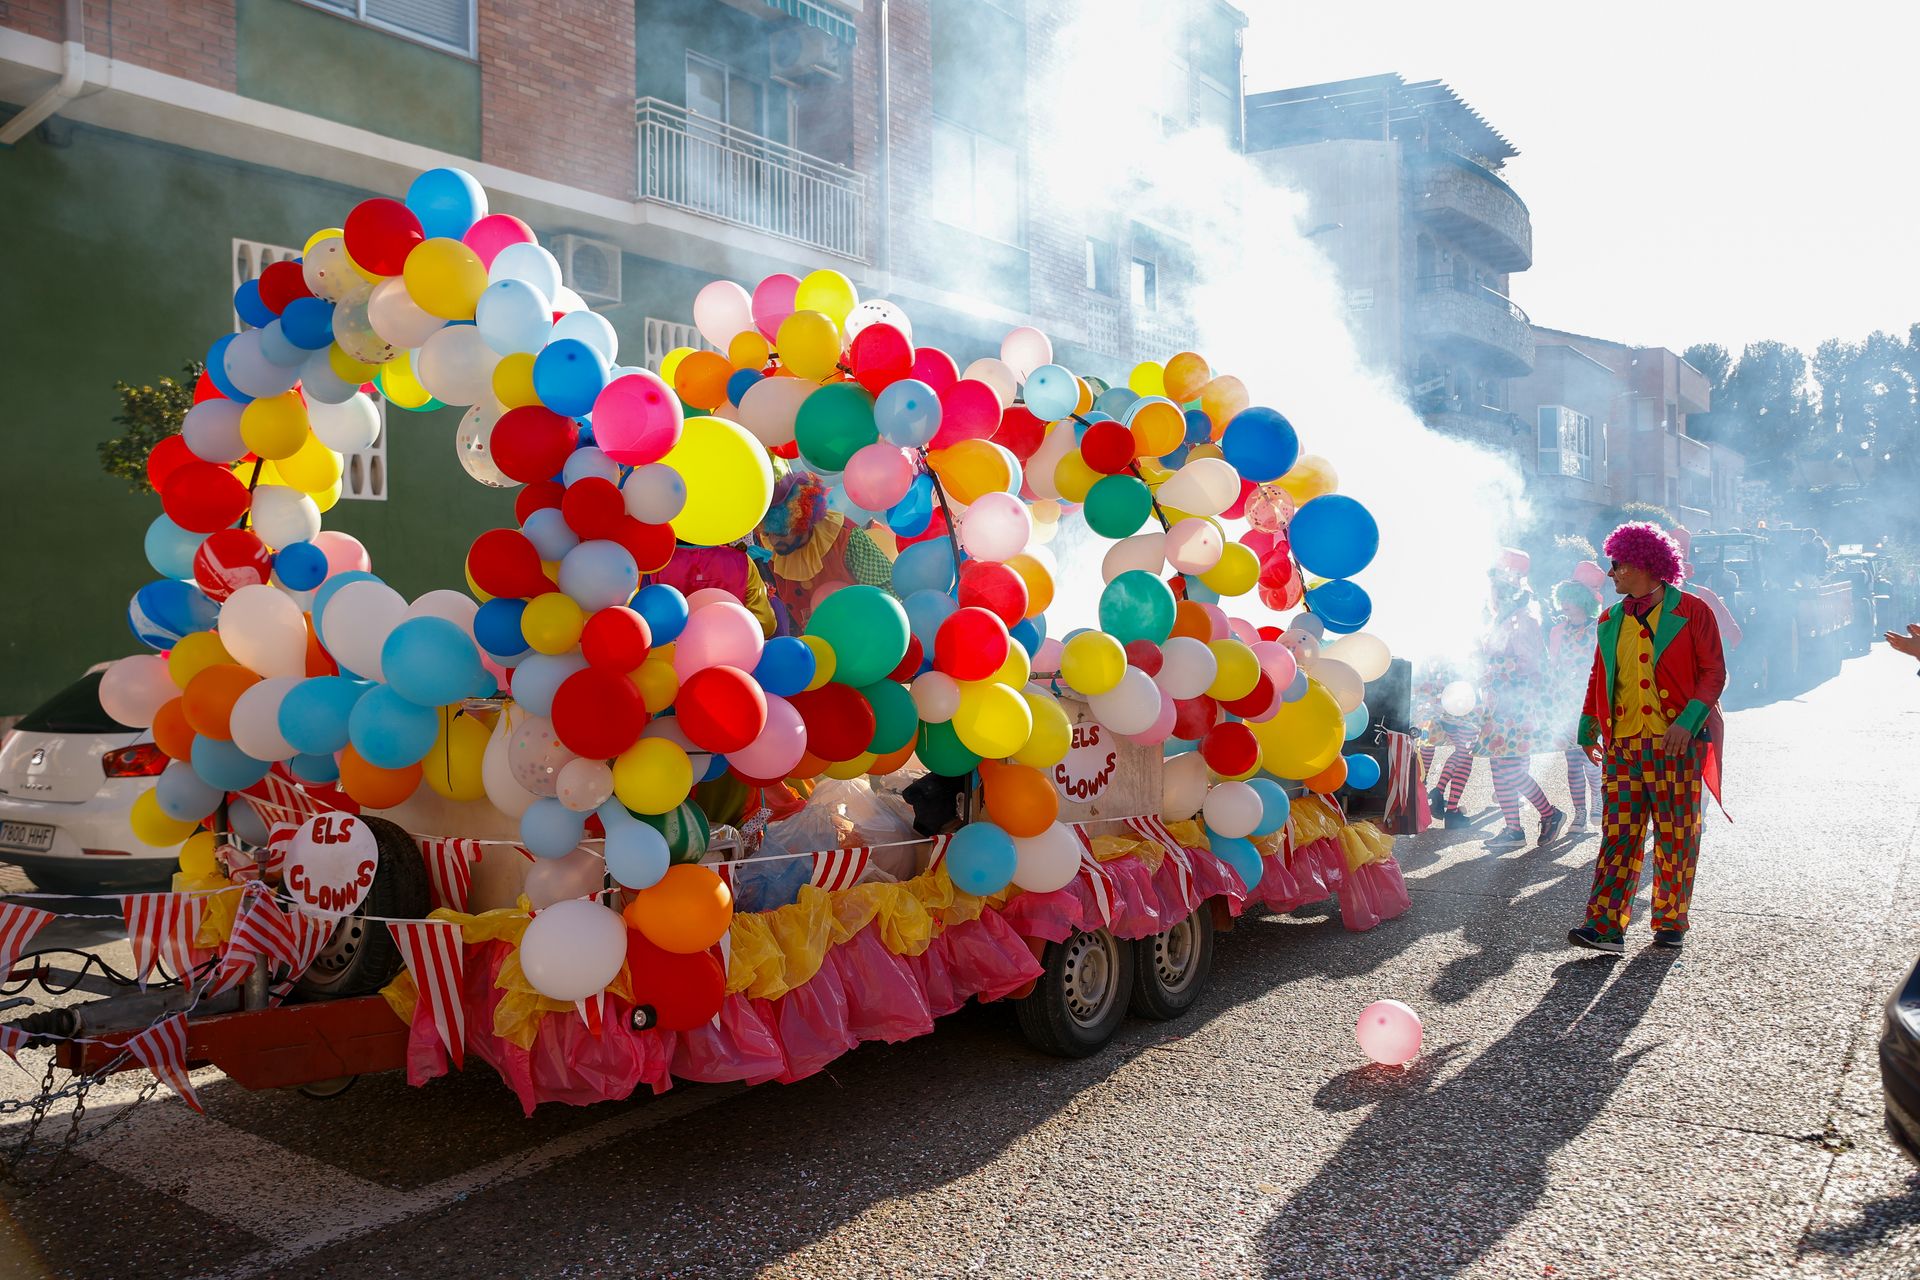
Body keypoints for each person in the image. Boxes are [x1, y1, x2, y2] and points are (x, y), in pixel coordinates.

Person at [1568, 522, 1727, 954]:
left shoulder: (1692, 611)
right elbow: (1600, 674)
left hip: (1675, 744)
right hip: (1623, 745)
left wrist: (1687, 722)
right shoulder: (1610, 618)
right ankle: (1604, 927)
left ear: (1644, 564)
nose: (1610, 572)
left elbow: (1714, 673)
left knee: (1676, 835)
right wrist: (1588, 725)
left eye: (1617, 564)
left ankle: (1671, 921)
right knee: (1618, 834)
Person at [1475, 550, 1565, 851]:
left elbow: (1530, 663)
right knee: (1499, 768)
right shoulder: (1502, 619)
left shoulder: (1524, 619)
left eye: (1495, 589)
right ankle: (1513, 829)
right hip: (1500, 703)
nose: (1491, 595)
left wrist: (1494, 669)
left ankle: (1550, 814)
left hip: (1516, 704)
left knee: (1511, 769)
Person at [1547, 575, 1604, 833]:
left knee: (1591, 753)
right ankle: (1579, 812)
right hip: (1566, 703)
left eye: (1569, 599)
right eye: (1562, 599)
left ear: (1583, 600)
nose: (1565, 604)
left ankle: (1598, 800)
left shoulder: (1599, 627)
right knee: (1572, 760)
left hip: (1591, 700)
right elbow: (1553, 666)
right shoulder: (1558, 630)